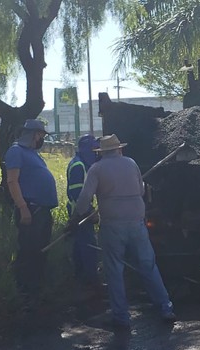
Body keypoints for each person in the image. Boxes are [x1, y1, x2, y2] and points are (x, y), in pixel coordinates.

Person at [69, 134, 176, 330]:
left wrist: (77, 216)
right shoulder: (131, 164)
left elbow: (84, 198)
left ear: (101, 153)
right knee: (148, 265)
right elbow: (141, 191)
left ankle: (121, 317)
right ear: (119, 149)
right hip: (137, 223)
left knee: (115, 270)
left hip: (112, 226)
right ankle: (165, 306)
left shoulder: (97, 168)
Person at [5, 119, 58, 296]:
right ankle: (24, 291)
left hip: (41, 210)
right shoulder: (16, 151)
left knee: (41, 250)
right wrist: (22, 207)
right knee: (29, 250)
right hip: (30, 209)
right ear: (34, 134)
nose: (42, 138)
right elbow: (12, 181)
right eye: (41, 135)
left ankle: (37, 289)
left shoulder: (32, 153)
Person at [66, 135, 101, 290]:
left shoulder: (82, 164)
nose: (95, 153)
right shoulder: (78, 166)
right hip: (79, 212)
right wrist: (88, 211)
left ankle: (80, 277)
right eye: (93, 150)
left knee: (80, 244)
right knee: (88, 245)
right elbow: (77, 192)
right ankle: (92, 281)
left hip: (80, 210)